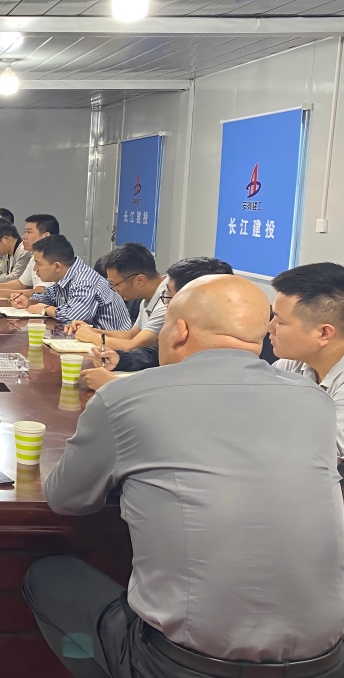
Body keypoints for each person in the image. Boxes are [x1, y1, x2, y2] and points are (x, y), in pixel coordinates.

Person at [24, 274, 344, 678]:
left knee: (47, 576)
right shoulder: (315, 401)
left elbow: (66, 500)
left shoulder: (123, 398)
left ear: (179, 331)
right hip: (327, 661)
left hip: (185, 665)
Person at [81, 257, 278, 390]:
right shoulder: (199, 326)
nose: (166, 303)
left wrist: (116, 387)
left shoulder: (254, 340)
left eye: (169, 295)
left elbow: (200, 390)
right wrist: (122, 360)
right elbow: (158, 353)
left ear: (194, 296)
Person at [270, 262, 344, 460]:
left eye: (280, 322)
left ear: (324, 333)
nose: (270, 328)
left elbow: (317, 452)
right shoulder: (289, 364)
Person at [11, 235, 130, 331]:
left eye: (38, 263)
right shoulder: (66, 276)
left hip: (113, 345)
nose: (35, 268)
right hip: (91, 341)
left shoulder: (84, 280)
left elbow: (75, 317)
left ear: (57, 266)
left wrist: (45, 309)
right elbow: (49, 296)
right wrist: (29, 302)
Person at [69, 243, 167, 351]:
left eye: (115, 284)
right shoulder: (148, 298)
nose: (113, 289)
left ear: (140, 280)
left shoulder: (166, 302)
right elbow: (131, 335)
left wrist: (91, 336)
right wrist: (91, 331)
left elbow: (132, 345)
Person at [0, 213, 60, 296]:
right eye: (25, 232)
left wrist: (1, 292)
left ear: (45, 236)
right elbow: (21, 283)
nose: (23, 236)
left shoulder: (51, 258)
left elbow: (41, 291)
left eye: (29, 232)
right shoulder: (34, 256)